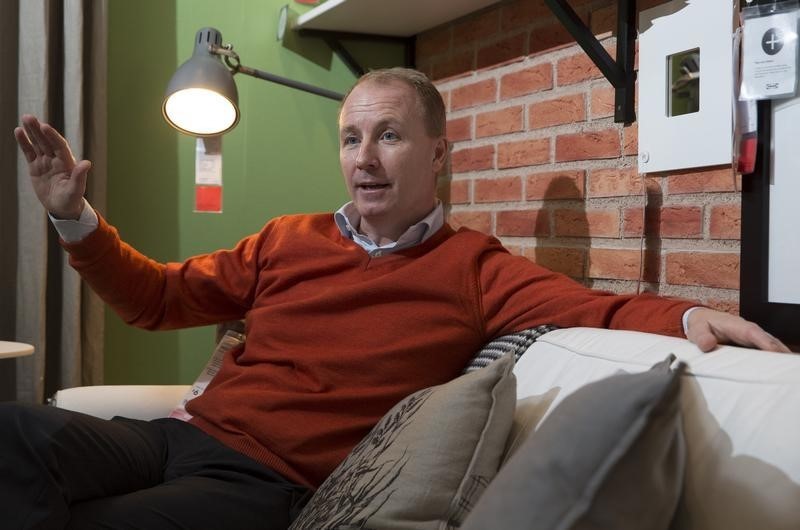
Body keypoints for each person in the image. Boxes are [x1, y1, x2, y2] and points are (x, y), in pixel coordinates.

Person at [4, 68, 788, 530]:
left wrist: (690, 316)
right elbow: (159, 299)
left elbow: (595, 307)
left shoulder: (472, 267)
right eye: (352, 138)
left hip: (264, 483)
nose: (365, 159)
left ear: (437, 154)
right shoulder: (288, 237)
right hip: (176, 437)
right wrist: (72, 216)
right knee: (12, 434)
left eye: (389, 136)